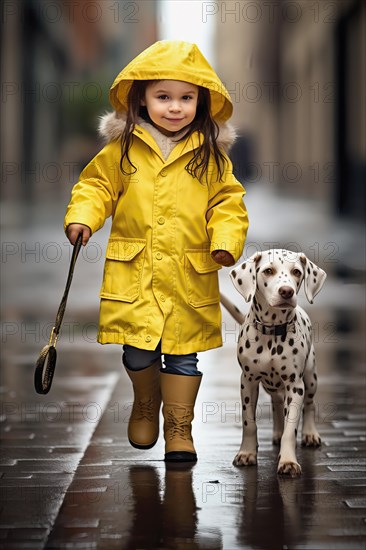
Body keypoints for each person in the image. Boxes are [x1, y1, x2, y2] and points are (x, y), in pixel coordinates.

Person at [64, 40, 249, 462]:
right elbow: (96, 186)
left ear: (201, 102)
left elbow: (228, 204)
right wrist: (83, 218)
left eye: (186, 98)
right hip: (137, 273)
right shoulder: (123, 149)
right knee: (139, 349)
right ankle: (146, 405)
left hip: (188, 273)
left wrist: (224, 241)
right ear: (141, 99)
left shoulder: (210, 157)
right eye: (163, 97)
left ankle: (180, 429)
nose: (174, 107)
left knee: (184, 356)